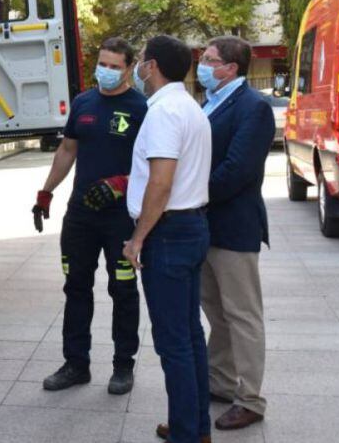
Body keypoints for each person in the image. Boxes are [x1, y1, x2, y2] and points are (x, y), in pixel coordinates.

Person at [33, 37, 147, 394]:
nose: (107, 71)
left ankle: (123, 366)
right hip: (81, 215)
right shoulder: (84, 102)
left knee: (123, 290)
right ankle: (76, 365)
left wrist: (122, 183)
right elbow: (68, 150)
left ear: (130, 68)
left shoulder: (142, 107)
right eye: (103, 64)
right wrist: (46, 192)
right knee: (76, 287)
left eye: (115, 66)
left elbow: (153, 164)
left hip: (121, 218)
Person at [122, 35, 212, 443]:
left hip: (168, 233)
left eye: (140, 60)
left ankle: (186, 435)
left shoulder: (162, 113)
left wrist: (138, 237)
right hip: (190, 227)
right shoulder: (190, 107)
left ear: (152, 65)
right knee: (190, 336)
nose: (138, 67)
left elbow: (160, 182)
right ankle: (194, 427)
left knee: (173, 343)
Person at [196, 36, 274, 431]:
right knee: (217, 312)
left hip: (234, 225)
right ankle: (222, 382)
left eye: (210, 60)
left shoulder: (253, 107)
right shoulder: (210, 102)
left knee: (243, 315)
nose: (203, 66)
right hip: (205, 226)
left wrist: (195, 195)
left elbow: (238, 169)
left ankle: (251, 399)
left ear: (231, 67)